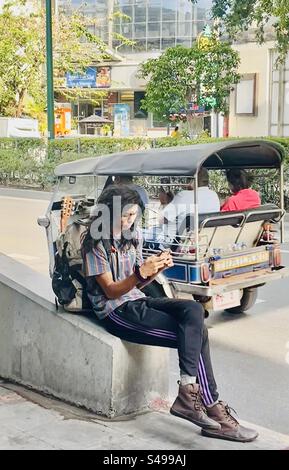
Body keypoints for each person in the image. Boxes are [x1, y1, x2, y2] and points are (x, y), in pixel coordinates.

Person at [82, 185, 258, 442]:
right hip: (116, 312)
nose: (129, 221)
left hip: (137, 300)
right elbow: (110, 291)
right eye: (124, 215)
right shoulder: (95, 244)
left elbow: (136, 285)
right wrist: (140, 273)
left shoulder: (133, 236)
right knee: (196, 335)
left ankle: (189, 391)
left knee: (193, 310)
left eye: (133, 216)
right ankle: (213, 411)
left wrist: (153, 270)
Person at [161, 167, 220, 240]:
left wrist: (164, 203)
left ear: (192, 180)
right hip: (205, 239)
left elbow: (162, 219)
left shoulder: (183, 195)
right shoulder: (214, 195)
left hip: (180, 242)